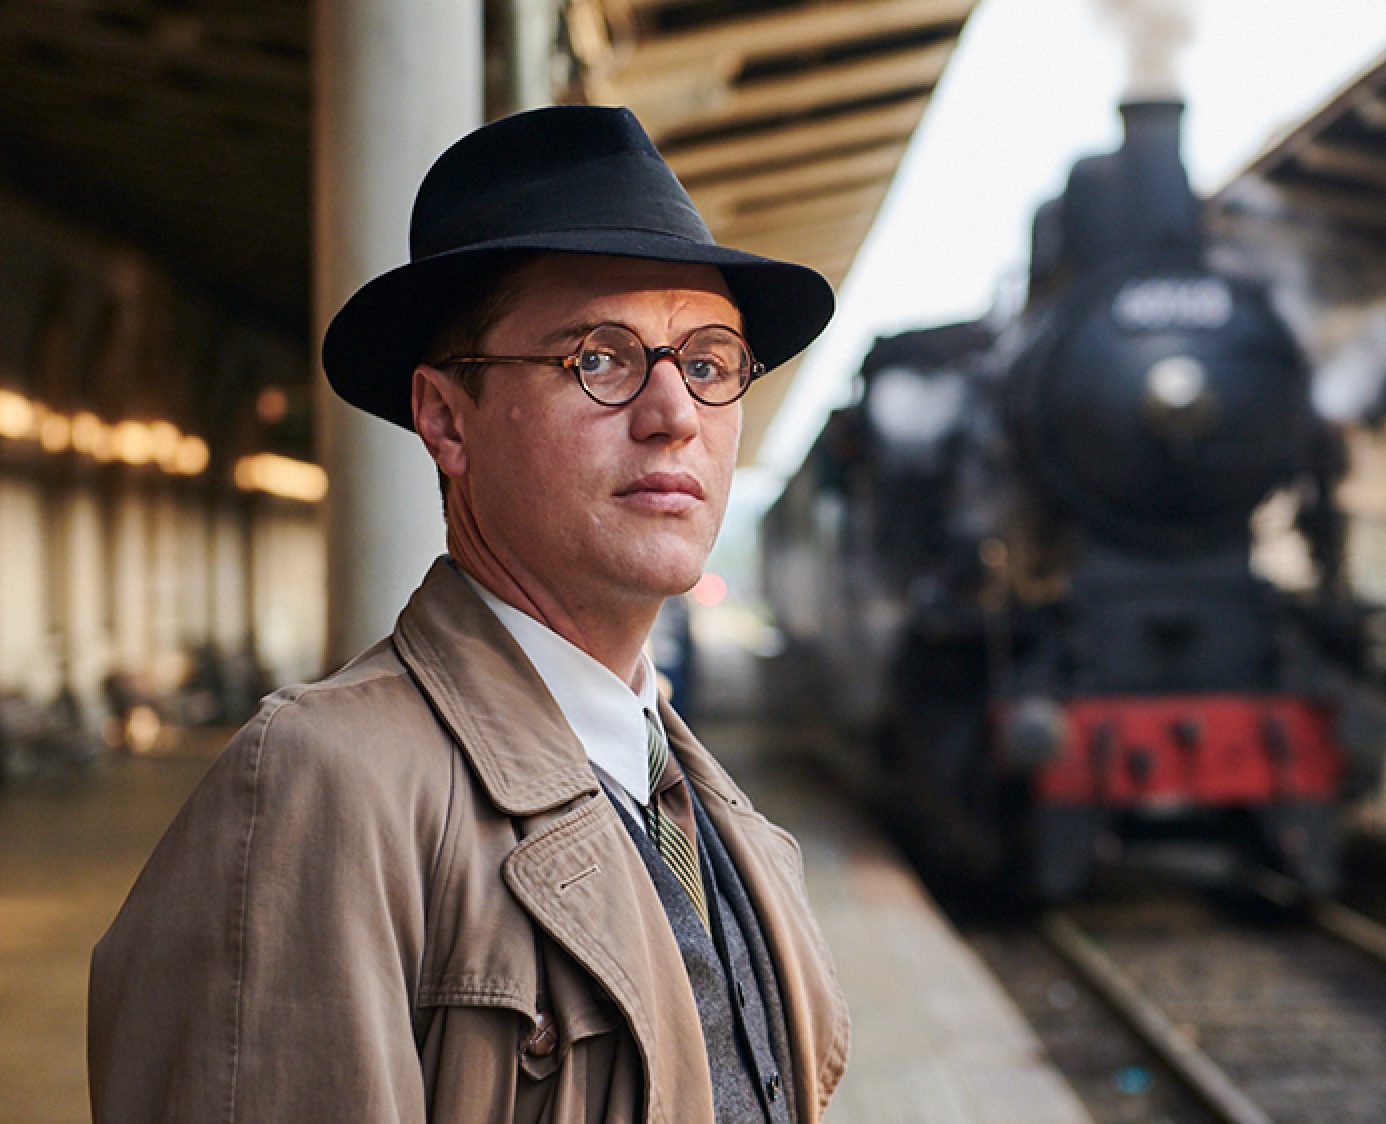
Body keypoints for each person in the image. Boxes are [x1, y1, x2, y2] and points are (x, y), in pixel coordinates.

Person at [86, 106, 848, 1124]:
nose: (673, 415)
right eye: (599, 356)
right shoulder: (320, 787)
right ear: (447, 418)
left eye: (706, 363)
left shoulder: (691, 796)